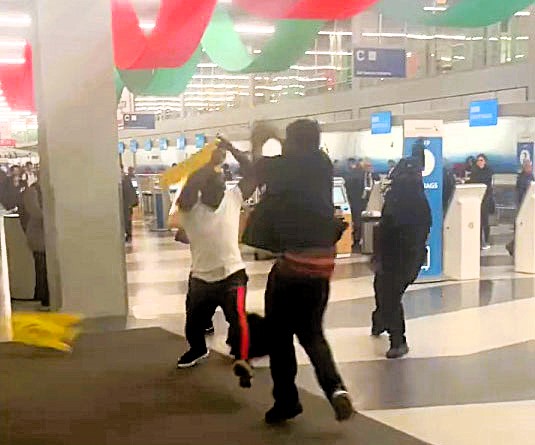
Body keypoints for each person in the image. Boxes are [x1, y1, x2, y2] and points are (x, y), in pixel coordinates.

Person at [243, 119, 353, 424]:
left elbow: (258, 169)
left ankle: (286, 401)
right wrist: (281, 138)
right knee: (312, 334)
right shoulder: (322, 163)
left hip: (293, 267)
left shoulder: (285, 167)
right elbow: (291, 158)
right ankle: (336, 390)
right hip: (322, 267)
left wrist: (258, 141)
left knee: (280, 338)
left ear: (291, 143)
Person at [175, 139, 256, 389]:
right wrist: (208, 165)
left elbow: (253, 173)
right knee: (193, 324)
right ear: (203, 188)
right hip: (201, 278)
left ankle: (242, 359)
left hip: (233, 274)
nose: (222, 190)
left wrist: (232, 150)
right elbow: (187, 191)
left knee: (238, 318)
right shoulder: (190, 209)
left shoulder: (232, 199)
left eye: (223, 185)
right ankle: (198, 349)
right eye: (217, 185)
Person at [371, 146, 431, 359]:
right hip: (404, 256)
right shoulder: (418, 199)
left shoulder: (400, 198)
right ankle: (380, 321)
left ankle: (398, 339)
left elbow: (390, 226)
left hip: (399, 257)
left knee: (389, 293)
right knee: (385, 290)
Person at [22, 178, 50, 310]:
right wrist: (50, 216)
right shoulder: (33, 191)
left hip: (43, 235)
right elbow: (35, 211)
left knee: (43, 266)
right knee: (41, 266)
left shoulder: (41, 191)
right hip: (38, 235)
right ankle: (43, 296)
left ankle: (43, 294)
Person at [506, 159, 533, 256]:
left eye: (530, 166)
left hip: (530, 205)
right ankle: (512, 246)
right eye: (527, 166)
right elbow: (520, 194)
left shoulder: (531, 177)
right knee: (521, 229)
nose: (529, 167)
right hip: (523, 206)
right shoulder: (522, 178)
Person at [468, 154, 494, 250]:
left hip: (486, 198)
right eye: (478, 160)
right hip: (476, 199)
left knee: (485, 221)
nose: (479, 162)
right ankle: (478, 241)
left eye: (481, 160)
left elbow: (486, 182)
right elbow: (472, 181)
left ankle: (486, 240)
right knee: (477, 221)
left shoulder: (488, 171)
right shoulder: (474, 170)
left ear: (485, 161)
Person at [344, 157, 365, 251]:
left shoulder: (351, 174)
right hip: (357, 200)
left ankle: (354, 240)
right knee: (356, 220)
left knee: (355, 220)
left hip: (353, 200)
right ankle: (355, 240)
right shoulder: (359, 173)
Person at [121, 166, 138, 243]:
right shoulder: (125, 179)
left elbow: (131, 191)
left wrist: (131, 203)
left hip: (126, 204)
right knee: (126, 219)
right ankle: (127, 234)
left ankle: (128, 234)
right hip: (125, 203)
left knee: (127, 219)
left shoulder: (126, 179)